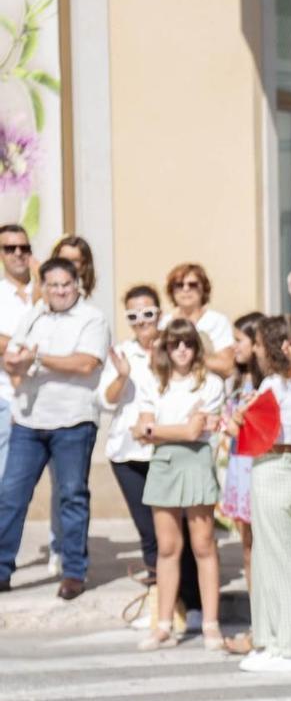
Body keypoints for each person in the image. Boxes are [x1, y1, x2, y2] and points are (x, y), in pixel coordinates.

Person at [0, 257, 108, 599]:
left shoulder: (93, 318)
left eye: (66, 284)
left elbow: (85, 362)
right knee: (10, 497)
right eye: (53, 285)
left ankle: (74, 572)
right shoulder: (35, 314)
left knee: (71, 496)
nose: (60, 290)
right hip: (28, 420)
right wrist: (18, 372)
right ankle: (2, 569)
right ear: (43, 287)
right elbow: (12, 356)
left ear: (77, 284)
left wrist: (37, 358)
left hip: (73, 422)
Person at [134, 318, 227, 650]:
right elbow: (142, 429)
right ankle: (163, 624)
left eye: (188, 343)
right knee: (168, 547)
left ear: (197, 347)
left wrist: (158, 430)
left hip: (197, 461)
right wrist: (175, 429)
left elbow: (188, 432)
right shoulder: (153, 383)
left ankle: (212, 625)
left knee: (203, 544)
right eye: (175, 344)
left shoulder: (211, 383)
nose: (182, 350)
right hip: (163, 464)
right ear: (166, 348)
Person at [235, 315, 291, 674]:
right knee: (269, 559)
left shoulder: (273, 385)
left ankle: (287, 646)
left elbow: (258, 431)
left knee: (279, 562)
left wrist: (239, 419)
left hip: (273, 468)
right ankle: (268, 639)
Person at [100, 286, 164, 592]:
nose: (142, 321)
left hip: (166, 449)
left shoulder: (174, 347)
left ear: (159, 314)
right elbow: (105, 401)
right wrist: (122, 375)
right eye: (134, 315)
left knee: (171, 526)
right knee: (147, 527)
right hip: (127, 452)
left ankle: (182, 589)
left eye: (148, 313)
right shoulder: (121, 352)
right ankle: (157, 586)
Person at [215, 311, 266, 648]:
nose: (233, 347)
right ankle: (257, 623)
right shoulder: (236, 380)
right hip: (237, 466)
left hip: (258, 468)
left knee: (265, 550)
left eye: (239, 340)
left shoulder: (267, 384)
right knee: (248, 550)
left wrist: (236, 426)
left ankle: (268, 624)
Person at [0, 223, 36, 485]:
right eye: (10, 248)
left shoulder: (47, 291)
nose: (18, 253)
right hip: (6, 396)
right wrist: (31, 347)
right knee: (5, 480)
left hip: (50, 396)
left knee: (65, 486)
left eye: (24, 247)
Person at [164, 262, 237, 378]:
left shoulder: (217, 321)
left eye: (192, 285)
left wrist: (190, 354)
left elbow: (227, 366)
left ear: (203, 288)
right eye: (179, 285)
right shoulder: (164, 323)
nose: (186, 289)